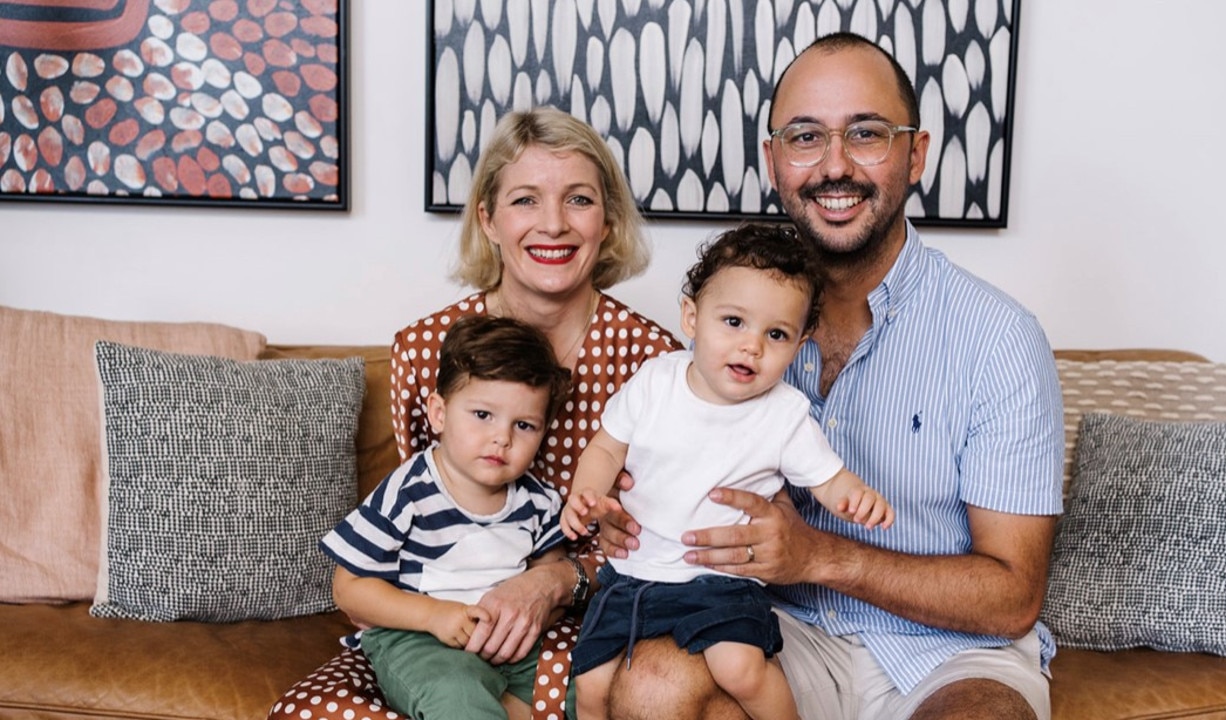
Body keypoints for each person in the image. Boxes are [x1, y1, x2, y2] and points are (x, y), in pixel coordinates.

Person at [599, 32, 1065, 720]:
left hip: (951, 651)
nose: (834, 165)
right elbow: (659, 472)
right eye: (806, 136)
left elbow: (1012, 597)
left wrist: (819, 555)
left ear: (917, 154)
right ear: (774, 159)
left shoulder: (999, 339)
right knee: (653, 686)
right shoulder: (730, 333)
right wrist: (635, 522)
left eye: (867, 133)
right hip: (769, 626)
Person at [269, 106, 680, 720]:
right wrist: (440, 620)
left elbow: (664, 538)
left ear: (609, 219)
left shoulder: (656, 364)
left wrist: (554, 582)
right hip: (433, 627)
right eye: (524, 200)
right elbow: (425, 515)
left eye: (578, 200)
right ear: (487, 218)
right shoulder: (425, 349)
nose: (553, 225)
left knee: (611, 699)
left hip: (583, 620)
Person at [559, 224, 895, 720]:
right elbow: (606, 448)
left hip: (720, 581)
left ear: (800, 343)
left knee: (739, 668)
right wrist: (585, 492)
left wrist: (856, 497)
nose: (751, 346)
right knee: (590, 685)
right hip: (633, 574)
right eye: (734, 321)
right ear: (692, 318)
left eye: (776, 334)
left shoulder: (784, 413)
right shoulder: (655, 382)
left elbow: (827, 478)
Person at [321, 316, 573, 719]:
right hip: (419, 637)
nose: (502, 438)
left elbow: (549, 572)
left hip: (508, 640)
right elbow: (348, 587)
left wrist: (527, 621)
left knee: (584, 685)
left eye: (524, 425)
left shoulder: (537, 500)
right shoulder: (409, 492)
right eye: (482, 415)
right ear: (438, 413)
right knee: (457, 696)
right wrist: (435, 615)